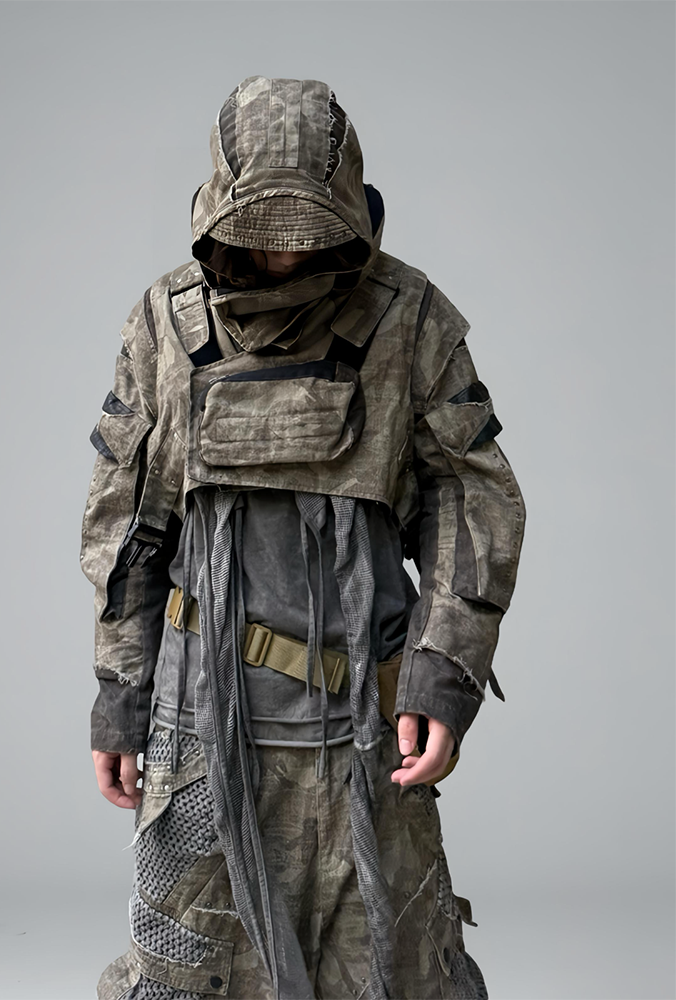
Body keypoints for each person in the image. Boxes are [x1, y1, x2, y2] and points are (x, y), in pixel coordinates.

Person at [82, 76, 525, 1000]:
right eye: (263, 228)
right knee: (186, 975)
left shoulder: (409, 318)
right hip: (198, 726)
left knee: (393, 972)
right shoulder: (166, 322)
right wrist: (120, 698)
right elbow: (129, 525)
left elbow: (471, 498)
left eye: (305, 229)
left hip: (370, 724)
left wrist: (443, 679)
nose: (284, 252)